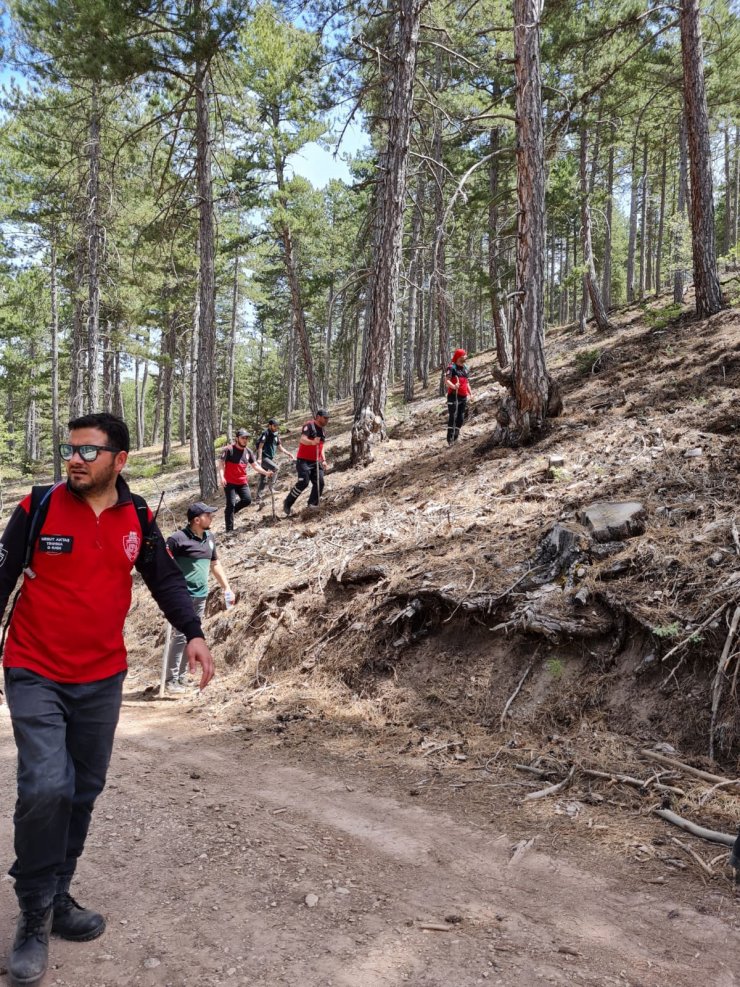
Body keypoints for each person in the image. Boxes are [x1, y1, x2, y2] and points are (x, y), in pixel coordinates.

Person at [0, 413, 214, 987]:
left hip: (101, 677)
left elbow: (165, 578)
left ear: (119, 460)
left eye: (89, 451)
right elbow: (0, 579)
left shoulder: (137, 515)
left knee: (83, 791)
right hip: (33, 667)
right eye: (71, 449)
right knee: (47, 785)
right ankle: (33, 915)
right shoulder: (37, 508)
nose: (75, 459)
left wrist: (192, 633)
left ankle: (57, 893)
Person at [163, 502, 233, 694]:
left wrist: (226, 587)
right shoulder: (177, 540)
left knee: (191, 636)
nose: (211, 518)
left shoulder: (210, 538)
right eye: (208, 515)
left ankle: (181, 676)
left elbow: (215, 564)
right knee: (179, 637)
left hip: (201, 595)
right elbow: (163, 564)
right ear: (196, 520)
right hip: (181, 597)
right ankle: (170, 679)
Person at [218, 428, 273, 532]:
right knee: (231, 503)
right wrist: (222, 477)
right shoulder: (229, 449)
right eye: (243, 438)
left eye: (246, 438)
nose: (245, 440)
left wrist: (266, 472)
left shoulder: (248, 452)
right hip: (229, 482)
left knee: (247, 500)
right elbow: (221, 463)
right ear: (237, 438)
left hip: (242, 482)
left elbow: (255, 466)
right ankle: (229, 530)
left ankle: (230, 513)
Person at [283, 409, 329, 517]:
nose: (327, 420)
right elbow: (302, 439)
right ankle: (288, 503)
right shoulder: (309, 425)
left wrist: (324, 460)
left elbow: (321, 447)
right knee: (303, 482)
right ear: (318, 417)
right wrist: (312, 442)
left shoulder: (322, 431)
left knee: (320, 482)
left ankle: (312, 505)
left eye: (328, 418)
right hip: (303, 460)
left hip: (316, 461)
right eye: (325, 418)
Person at [254, 418, 294, 510]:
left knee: (263, 478)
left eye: (277, 426)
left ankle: (258, 498)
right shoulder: (265, 433)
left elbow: (280, 447)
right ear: (270, 425)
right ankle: (271, 487)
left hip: (268, 458)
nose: (276, 427)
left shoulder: (276, 435)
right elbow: (260, 447)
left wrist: (288, 453)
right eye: (274, 426)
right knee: (275, 468)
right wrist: (259, 459)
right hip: (264, 458)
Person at [445, 348, 473, 445]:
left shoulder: (465, 368)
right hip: (453, 396)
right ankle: (450, 439)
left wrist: (471, 393)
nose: (466, 357)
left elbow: (467, 382)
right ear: (459, 357)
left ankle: (456, 437)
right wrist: (454, 386)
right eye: (464, 355)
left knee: (460, 418)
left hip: (463, 396)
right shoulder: (451, 367)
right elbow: (447, 381)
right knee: (453, 416)